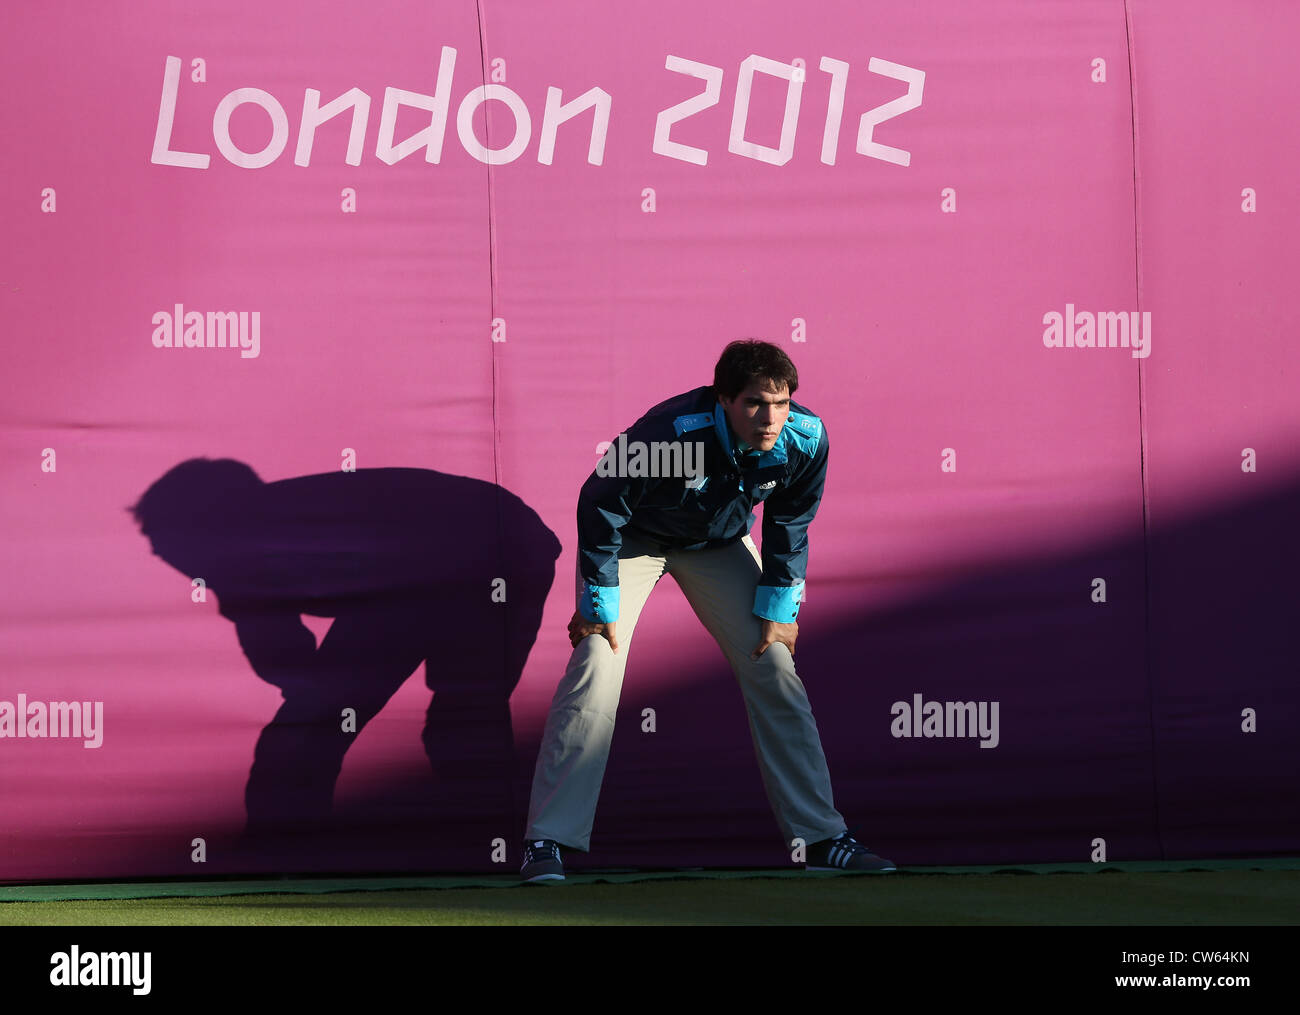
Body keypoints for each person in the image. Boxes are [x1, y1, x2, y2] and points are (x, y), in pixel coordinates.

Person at [520, 340, 896, 881]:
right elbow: (600, 504)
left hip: (718, 548)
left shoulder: (805, 440)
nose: (769, 418)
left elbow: (790, 526)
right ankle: (547, 840)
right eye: (752, 403)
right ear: (723, 400)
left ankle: (821, 838)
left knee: (774, 666)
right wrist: (598, 602)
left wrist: (779, 609)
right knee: (597, 663)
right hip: (634, 541)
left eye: (781, 402)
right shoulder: (672, 435)